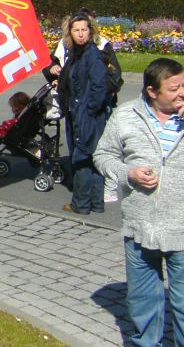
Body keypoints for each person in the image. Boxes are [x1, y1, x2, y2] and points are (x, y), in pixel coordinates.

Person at [94, 58, 184, 347]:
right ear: (152, 91)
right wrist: (128, 174)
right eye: (174, 88)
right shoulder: (126, 116)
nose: (182, 93)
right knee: (143, 307)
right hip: (140, 227)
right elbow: (102, 156)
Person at [58, 12, 111, 215]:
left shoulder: (92, 55)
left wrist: (88, 110)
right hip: (80, 111)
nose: (80, 34)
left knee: (82, 158)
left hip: (87, 114)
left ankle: (81, 204)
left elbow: (99, 87)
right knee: (93, 157)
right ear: (70, 33)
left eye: (84, 30)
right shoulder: (76, 54)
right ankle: (96, 203)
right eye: (76, 30)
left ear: (90, 31)